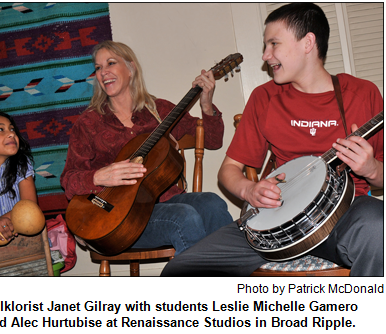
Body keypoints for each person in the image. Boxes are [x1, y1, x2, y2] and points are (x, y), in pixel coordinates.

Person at [161, 3, 383, 276]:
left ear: (308, 43)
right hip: (274, 221)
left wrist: (372, 169)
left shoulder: (361, 93)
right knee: (180, 271)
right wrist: (249, 190)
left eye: (273, 44)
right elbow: (228, 171)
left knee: (379, 228)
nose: (265, 55)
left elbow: (381, 177)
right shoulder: (264, 98)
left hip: (343, 217)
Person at [60, 40, 232, 256]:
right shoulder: (88, 123)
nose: (103, 72)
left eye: (111, 63)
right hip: (119, 218)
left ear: (131, 69)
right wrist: (99, 176)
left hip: (167, 201)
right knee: (185, 216)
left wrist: (206, 103)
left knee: (213, 203)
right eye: (98, 67)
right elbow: (69, 180)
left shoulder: (159, 111)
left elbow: (213, 141)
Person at [0, 110, 37, 261]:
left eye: (12, 129)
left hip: (21, 237)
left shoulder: (22, 164)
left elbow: (29, 206)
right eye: (1, 129)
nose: (11, 134)